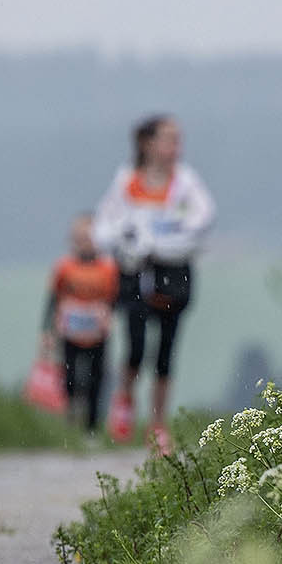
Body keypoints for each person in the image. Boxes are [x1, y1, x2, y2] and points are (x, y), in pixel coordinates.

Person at [92, 114, 214, 456]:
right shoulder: (127, 181)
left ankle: (158, 424)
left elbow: (203, 218)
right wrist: (127, 237)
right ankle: (125, 399)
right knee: (135, 344)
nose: (176, 147)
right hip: (135, 273)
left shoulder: (185, 183)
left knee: (166, 350)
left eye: (178, 140)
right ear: (148, 144)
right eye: (169, 139)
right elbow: (104, 227)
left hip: (174, 273)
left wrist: (166, 237)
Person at [40, 213, 118, 435]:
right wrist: (46, 331)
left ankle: (91, 429)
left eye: (89, 238)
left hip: (97, 333)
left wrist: (108, 314)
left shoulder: (108, 268)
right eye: (80, 238)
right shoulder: (64, 267)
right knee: (70, 376)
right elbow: (53, 298)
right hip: (70, 332)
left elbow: (115, 298)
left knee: (96, 378)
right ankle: (72, 411)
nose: (85, 243)